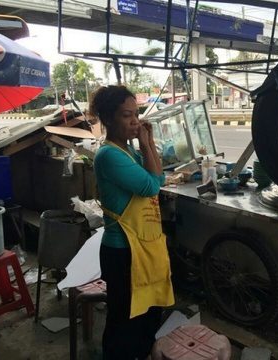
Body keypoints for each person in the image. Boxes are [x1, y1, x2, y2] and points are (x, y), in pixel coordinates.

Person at [90, 85, 175, 360]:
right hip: (123, 251)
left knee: (148, 313)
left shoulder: (129, 152)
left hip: (144, 247)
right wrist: (147, 147)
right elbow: (151, 187)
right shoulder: (109, 155)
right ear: (108, 118)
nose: (135, 121)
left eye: (136, 114)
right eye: (127, 116)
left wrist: (147, 143)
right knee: (125, 319)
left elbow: (158, 178)